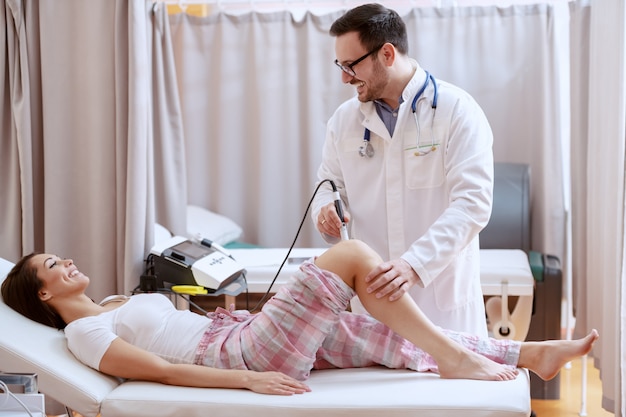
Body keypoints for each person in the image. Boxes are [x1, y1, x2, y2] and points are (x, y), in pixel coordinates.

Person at [2, 239, 598, 396]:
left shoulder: (110, 306)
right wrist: (249, 378)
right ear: (45, 295)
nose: (68, 260)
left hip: (236, 336)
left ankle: (528, 354)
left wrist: (225, 315)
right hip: (242, 357)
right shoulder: (84, 332)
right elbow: (162, 370)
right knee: (353, 257)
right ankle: (457, 359)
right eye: (55, 263)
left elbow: (176, 338)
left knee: (377, 332)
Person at [312, 3, 494, 336]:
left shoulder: (456, 111)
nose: (343, 77)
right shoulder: (344, 120)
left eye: (351, 65)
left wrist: (415, 264)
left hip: (440, 301)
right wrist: (325, 211)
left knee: (446, 379)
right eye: (340, 65)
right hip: (372, 304)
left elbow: (472, 204)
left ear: (387, 54)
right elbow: (329, 184)